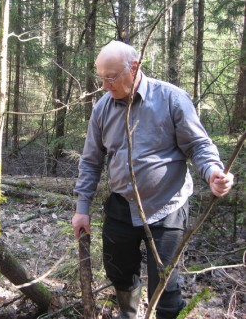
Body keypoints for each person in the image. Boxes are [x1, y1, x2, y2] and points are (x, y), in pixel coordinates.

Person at [72, 41, 234, 319]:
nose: (104, 85)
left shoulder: (171, 99)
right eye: (101, 77)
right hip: (122, 206)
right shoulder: (102, 109)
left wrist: (213, 173)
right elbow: (91, 161)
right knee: (119, 272)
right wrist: (82, 208)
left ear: (134, 68)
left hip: (167, 207)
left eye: (110, 77)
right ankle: (130, 314)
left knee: (165, 282)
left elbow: (198, 146)